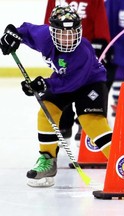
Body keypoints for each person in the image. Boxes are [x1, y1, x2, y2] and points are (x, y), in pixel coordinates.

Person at [0, 5, 112, 187]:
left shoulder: (83, 50)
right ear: (52, 32)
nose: (67, 39)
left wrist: (44, 84)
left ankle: (120, 160)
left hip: (90, 83)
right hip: (62, 78)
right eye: (62, 34)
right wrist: (13, 35)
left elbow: (72, 83)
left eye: (72, 33)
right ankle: (48, 161)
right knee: (46, 113)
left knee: (92, 123)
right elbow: (26, 30)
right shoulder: (44, 36)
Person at [44, 0, 112, 142]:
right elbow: (48, 24)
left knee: (88, 87)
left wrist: (101, 41)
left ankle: (85, 122)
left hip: (86, 53)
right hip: (64, 52)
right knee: (64, 87)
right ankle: (64, 123)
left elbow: (100, 19)